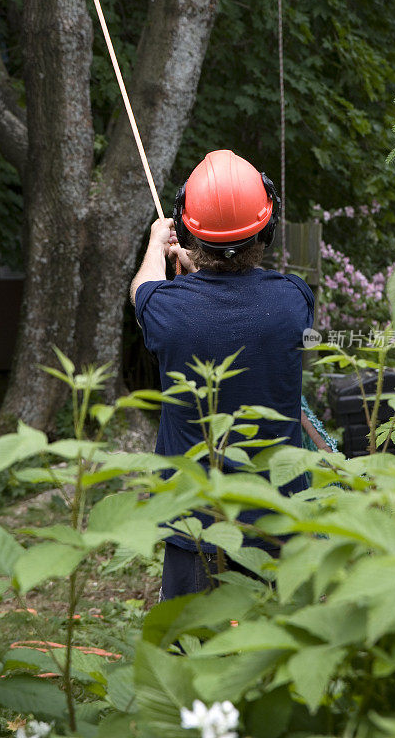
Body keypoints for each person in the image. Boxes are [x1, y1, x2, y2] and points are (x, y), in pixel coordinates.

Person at [130, 149, 314, 600]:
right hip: (277, 516)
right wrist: (203, 273)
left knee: (189, 649)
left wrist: (158, 244)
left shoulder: (166, 310)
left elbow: (142, 290)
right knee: (272, 651)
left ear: (189, 229)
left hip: (195, 520)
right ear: (266, 228)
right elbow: (234, 304)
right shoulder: (295, 299)